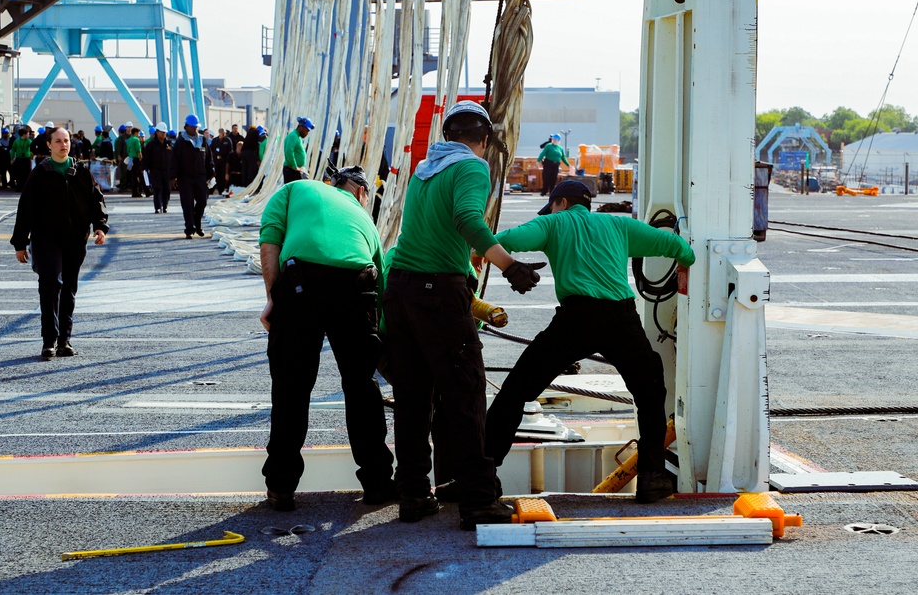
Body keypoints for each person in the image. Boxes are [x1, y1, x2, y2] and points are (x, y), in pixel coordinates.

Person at [383, 100, 545, 531]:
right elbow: (467, 217)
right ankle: (477, 500)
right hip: (439, 292)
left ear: (447, 134)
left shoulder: (424, 169)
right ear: (486, 140)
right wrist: (509, 265)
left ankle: (414, 494)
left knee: (414, 398)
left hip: (400, 290)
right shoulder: (472, 168)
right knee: (466, 394)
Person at [485, 180, 696, 504]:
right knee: (650, 393)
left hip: (576, 319)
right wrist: (685, 259)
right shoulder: (619, 225)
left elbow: (510, 239)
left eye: (553, 205)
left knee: (517, 390)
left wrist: (479, 251)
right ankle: (652, 477)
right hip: (621, 320)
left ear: (562, 203)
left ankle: (483, 477)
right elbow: (672, 244)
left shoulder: (554, 223)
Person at [258, 165, 395, 511]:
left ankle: (281, 487)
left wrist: (274, 296)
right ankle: (378, 483)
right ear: (361, 193)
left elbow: (270, 239)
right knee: (361, 385)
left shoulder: (296, 189)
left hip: (300, 281)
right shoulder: (366, 222)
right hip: (357, 283)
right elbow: (381, 286)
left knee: (291, 387)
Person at [10, 127, 109, 360]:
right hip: (46, 238)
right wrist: (20, 243)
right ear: (49, 145)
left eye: (66, 141)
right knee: (51, 283)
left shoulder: (81, 172)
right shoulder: (40, 173)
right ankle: (49, 341)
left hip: (75, 238)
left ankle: (65, 340)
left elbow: (97, 201)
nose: (63, 145)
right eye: (58, 141)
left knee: (69, 287)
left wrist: (100, 227)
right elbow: (25, 209)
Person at [171, 114, 213, 239]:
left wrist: (211, 174)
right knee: (187, 203)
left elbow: (209, 159)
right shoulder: (180, 142)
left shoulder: (202, 141)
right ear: (186, 127)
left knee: (202, 201)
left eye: (196, 127)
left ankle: (197, 224)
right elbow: (174, 161)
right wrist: (173, 177)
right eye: (193, 127)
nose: (195, 129)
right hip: (185, 177)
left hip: (200, 176)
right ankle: (189, 228)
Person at [144, 122, 172, 213]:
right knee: (157, 188)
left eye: (165, 132)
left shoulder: (169, 144)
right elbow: (146, 158)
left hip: (167, 170)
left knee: (167, 189)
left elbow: (174, 157)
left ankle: (165, 206)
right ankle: (157, 207)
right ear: (157, 132)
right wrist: (145, 169)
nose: (163, 134)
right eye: (162, 132)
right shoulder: (151, 145)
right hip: (155, 170)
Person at [537, 132, 571, 196]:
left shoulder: (560, 148)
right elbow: (543, 153)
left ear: (558, 141)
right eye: (553, 139)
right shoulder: (548, 146)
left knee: (554, 178)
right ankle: (544, 191)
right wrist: (538, 160)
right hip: (548, 163)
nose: (554, 141)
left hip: (556, 165)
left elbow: (563, 157)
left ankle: (552, 191)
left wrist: (568, 165)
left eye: (556, 140)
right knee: (546, 177)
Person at [282, 116, 313, 183]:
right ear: (301, 127)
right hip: (291, 171)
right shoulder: (293, 136)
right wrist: (295, 166)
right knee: (293, 192)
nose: (307, 133)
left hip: (295, 170)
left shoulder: (297, 136)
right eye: (306, 130)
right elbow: (289, 152)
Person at [210, 128, 233, 195]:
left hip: (224, 161)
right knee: (216, 175)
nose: (222, 134)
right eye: (221, 133)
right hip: (216, 160)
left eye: (223, 133)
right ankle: (218, 189)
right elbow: (211, 150)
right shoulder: (215, 140)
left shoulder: (228, 140)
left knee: (223, 176)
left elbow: (230, 151)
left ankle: (222, 189)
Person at [126, 126, 144, 197]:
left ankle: (134, 192)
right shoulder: (136, 140)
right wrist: (141, 158)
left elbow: (128, 150)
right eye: (138, 133)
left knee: (133, 176)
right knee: (139, 175)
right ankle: (138, 191)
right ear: (135, 133)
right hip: (136, 159)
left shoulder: (129, 139)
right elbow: (138, 150)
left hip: (131, 159)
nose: (139, 134)